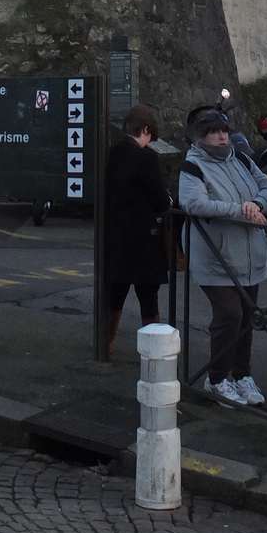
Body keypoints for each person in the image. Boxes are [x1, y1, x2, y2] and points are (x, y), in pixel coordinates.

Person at [178, 105, 267, 408]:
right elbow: (194, 203)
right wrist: (240, 210)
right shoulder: (193, 166)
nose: (221, 137)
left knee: (248, 317)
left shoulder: (243, 160)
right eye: (213, 133)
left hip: (250, 255)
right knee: (229, 315)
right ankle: (218, 378)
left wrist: (257, 204)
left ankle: (241, 374)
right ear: (200, 138)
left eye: (223, 131)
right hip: (215, 256)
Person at [105, 104, 172, 355]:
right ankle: (152, 352)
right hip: (145, 239)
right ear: (145, 130)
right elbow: (160, 201)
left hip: (118, 236)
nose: (149, 141)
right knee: (148, 297)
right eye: (150, 136)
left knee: (116, 294)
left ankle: (107, 343)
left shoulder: (111, 154)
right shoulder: (147, 158)